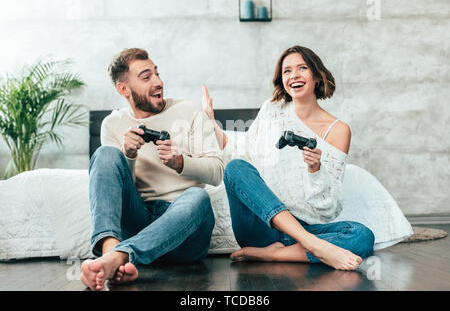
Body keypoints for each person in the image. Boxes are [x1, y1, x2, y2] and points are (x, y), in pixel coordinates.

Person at [202, 45, 375, 271]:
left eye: (302, 68)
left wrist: (315, 170)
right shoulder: (272, 110)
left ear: (316, 75)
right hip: (261, 227)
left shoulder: (339, 130)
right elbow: (239, 154)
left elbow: (329, 208)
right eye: (287, 71)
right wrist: (210, 121)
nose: (294, 75)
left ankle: (275, 255)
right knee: (235, 167)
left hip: (306, 227)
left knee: (362, 235)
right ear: (281, 79)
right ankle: (314, 247)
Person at [81, 48, 224, 291]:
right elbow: (115, 185)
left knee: (198, 197)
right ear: (124, 89)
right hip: (140, 219)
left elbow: (217, 172)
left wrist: (180, 162)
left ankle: (119, 256)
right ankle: (111, 254)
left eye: (156, 73)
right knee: (105, 154)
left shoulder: (188, 111)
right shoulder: (113, 124)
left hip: (185, 233)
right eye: (146, 77)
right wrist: (129, 155)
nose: (159, 82)